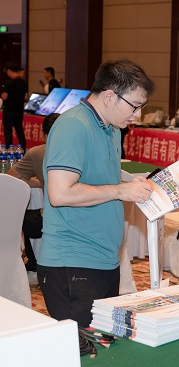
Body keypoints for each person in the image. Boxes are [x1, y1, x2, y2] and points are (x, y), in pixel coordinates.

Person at [37, 59, 155, 327]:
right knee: (81, 345)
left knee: (103, 342)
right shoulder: (73, 126)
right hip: (73, 262)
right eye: (135, 106)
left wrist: (128, 180)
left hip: (104, 259)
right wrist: (121, 190)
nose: (138, 115)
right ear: (110, 96)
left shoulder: (110, 128)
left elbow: (97, 175)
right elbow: (60, 194)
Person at [8, 113, 60, 284]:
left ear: (44, 134)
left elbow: (12, 177)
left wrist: (39, 182)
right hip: (83, 216)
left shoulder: (38, 152)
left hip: (51, 218)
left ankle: (31, 266)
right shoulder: (80, 150)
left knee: (17, 216)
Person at [1, 62, 28, 149]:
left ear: (9, 71)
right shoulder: (24, 83)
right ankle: (23, 149)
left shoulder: (9, 83)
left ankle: (9, 150)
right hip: (19, 111)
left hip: (9, 111)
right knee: (19, 131)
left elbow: (4, 97)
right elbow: (25, 96)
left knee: (8, 132)